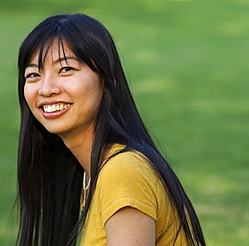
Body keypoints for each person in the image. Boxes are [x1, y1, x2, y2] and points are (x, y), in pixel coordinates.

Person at [15, 13, 206, 246]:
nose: (46, 89)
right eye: (33, 74)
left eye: (65, 69)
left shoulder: (122, 172)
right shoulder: (91, 172)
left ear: (108, 80)